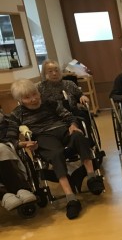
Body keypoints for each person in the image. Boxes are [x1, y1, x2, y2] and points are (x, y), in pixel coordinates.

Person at [7, 79, 104, 220]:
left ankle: (92, 178)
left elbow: (69, 116)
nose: (33, 99)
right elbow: (10, 138)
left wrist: (73, 125)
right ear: (20, 100)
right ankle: (71, 198)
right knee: (56, 154)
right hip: (43, 137)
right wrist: (23, 144)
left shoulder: (50, 103)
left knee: (79, 136)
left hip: (62, 130)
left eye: (35, 94)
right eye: (27, 97)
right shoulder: (17, 114)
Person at [37, 59, 92, 130]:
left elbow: (80, 94)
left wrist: (82, 96)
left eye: (56, 70)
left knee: (84, 117)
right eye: (50, 71)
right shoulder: (40, 87)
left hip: (72, 112)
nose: (54, 73)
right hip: (52, 116)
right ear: (44, 74)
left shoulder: (69, 84)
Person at [0, 109, 37, 215]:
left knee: (1, 148)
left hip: (6, 150)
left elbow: (11, 138)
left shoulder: (8, 120)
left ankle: (20, 189)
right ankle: (3, 194)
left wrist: (20, 144)